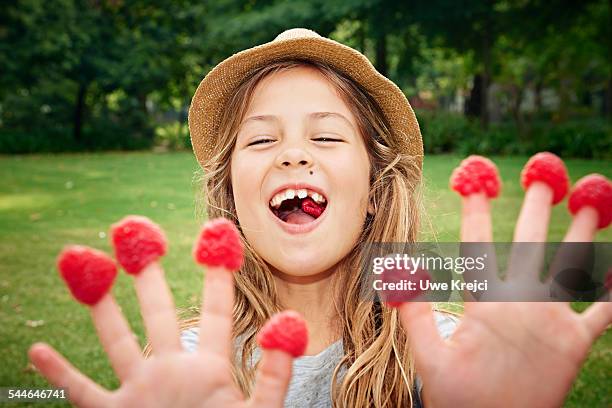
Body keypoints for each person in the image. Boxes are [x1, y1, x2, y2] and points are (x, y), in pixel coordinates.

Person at [29, 28, 611, 408]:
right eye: (261, 140)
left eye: (327, 135)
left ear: (377, 190)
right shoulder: (182, 371)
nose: (292, 153)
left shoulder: (459, 360)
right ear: (231, 196)